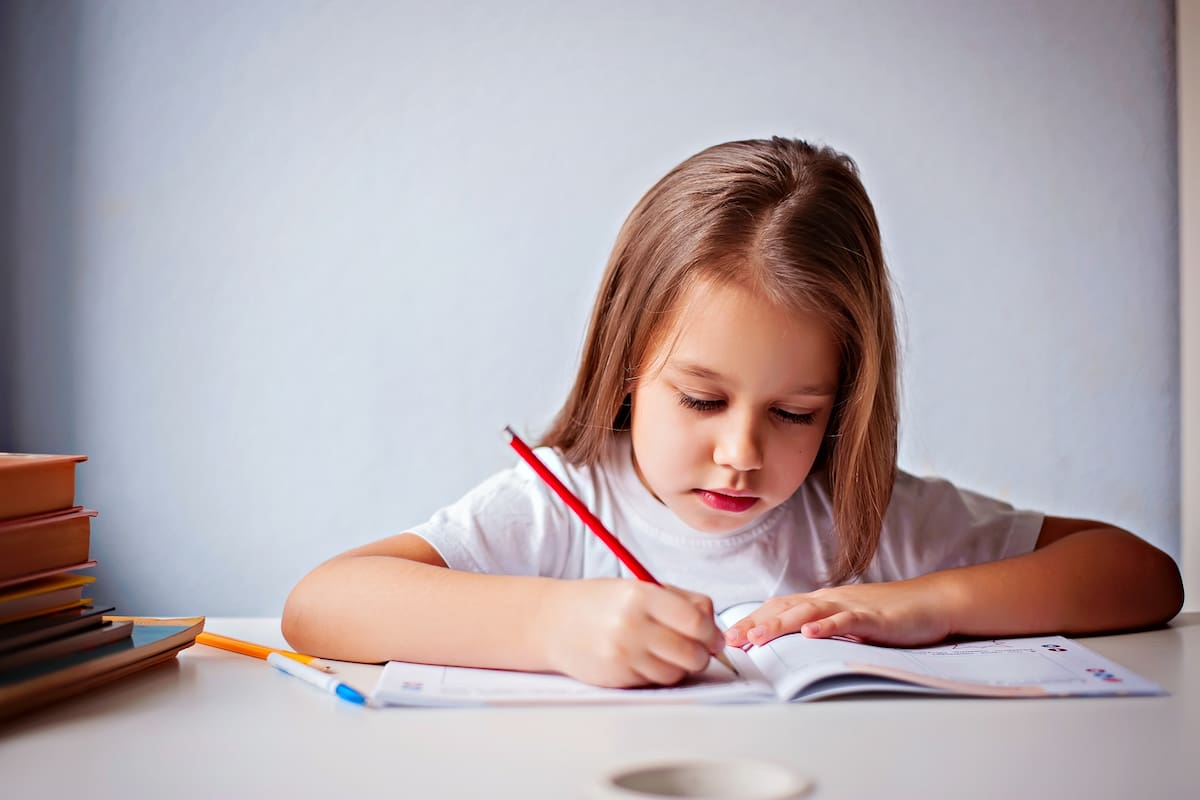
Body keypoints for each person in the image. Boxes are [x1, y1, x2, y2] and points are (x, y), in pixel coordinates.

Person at [282, 137, 1184, 688]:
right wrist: (554, 626)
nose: (741, 454)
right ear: (628, 362)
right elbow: (322, 604)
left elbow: (1143, 576)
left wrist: (923, 606)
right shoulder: (564, 502)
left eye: (797, 413)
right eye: (702, 399)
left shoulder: (865, 516)